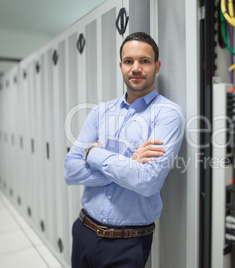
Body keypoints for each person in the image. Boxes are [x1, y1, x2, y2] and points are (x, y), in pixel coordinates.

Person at [64, 32, 184, 268]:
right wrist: (129, 161)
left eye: (145, 61)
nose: (136, 68)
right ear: (121, 65)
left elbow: (147, 181)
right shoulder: (101, 112)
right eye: (129, 61)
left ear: (157, 66)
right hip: (84, 232)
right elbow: (71, 170)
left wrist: (93, 154)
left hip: (127, 243)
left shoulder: (168, 114)